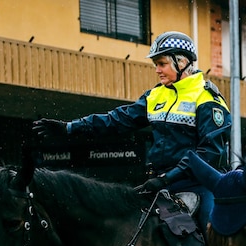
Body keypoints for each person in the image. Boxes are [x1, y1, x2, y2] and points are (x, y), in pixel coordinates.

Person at [32, 31, 231, 230]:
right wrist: (69, 127)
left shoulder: (207, 99)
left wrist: (167, 178)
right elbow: (116, 120)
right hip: (160, 184)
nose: (157, 70)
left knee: (212, 232)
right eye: (156, 65)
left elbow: (209, 154)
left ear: (182, 63)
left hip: (198, 185)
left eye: (162, 64)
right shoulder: (154, 95)